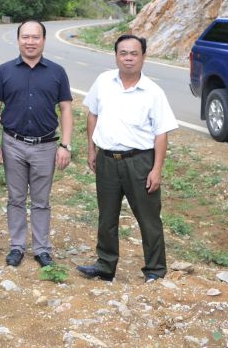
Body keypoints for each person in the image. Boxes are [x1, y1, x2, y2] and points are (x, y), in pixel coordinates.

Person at [77, 34, 178, 282]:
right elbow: (92, 116)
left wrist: (156, 169)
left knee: (149, 218)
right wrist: (92, 150)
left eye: (134, 53)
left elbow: (161, 133)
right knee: (106, 217)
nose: (128, 58)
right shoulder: (103, 81)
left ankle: (155, 270)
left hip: (140, 162)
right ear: (116, 56)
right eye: (123, 53)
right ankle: (105, 265)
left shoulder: (153, 92)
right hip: (107, 160)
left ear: (143, 57)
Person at [0, 20, 73, 268]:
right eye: (25, 37)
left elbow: (66, 108)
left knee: (41, 200)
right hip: (13, 143)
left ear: (44, 40)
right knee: (15, 198)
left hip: (46, 145)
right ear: (18, 40)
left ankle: (42, 249)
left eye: (35, 37)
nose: (30, 42)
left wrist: (65, 145)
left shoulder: (57, 72)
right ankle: (16, 246)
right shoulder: (4, 71)